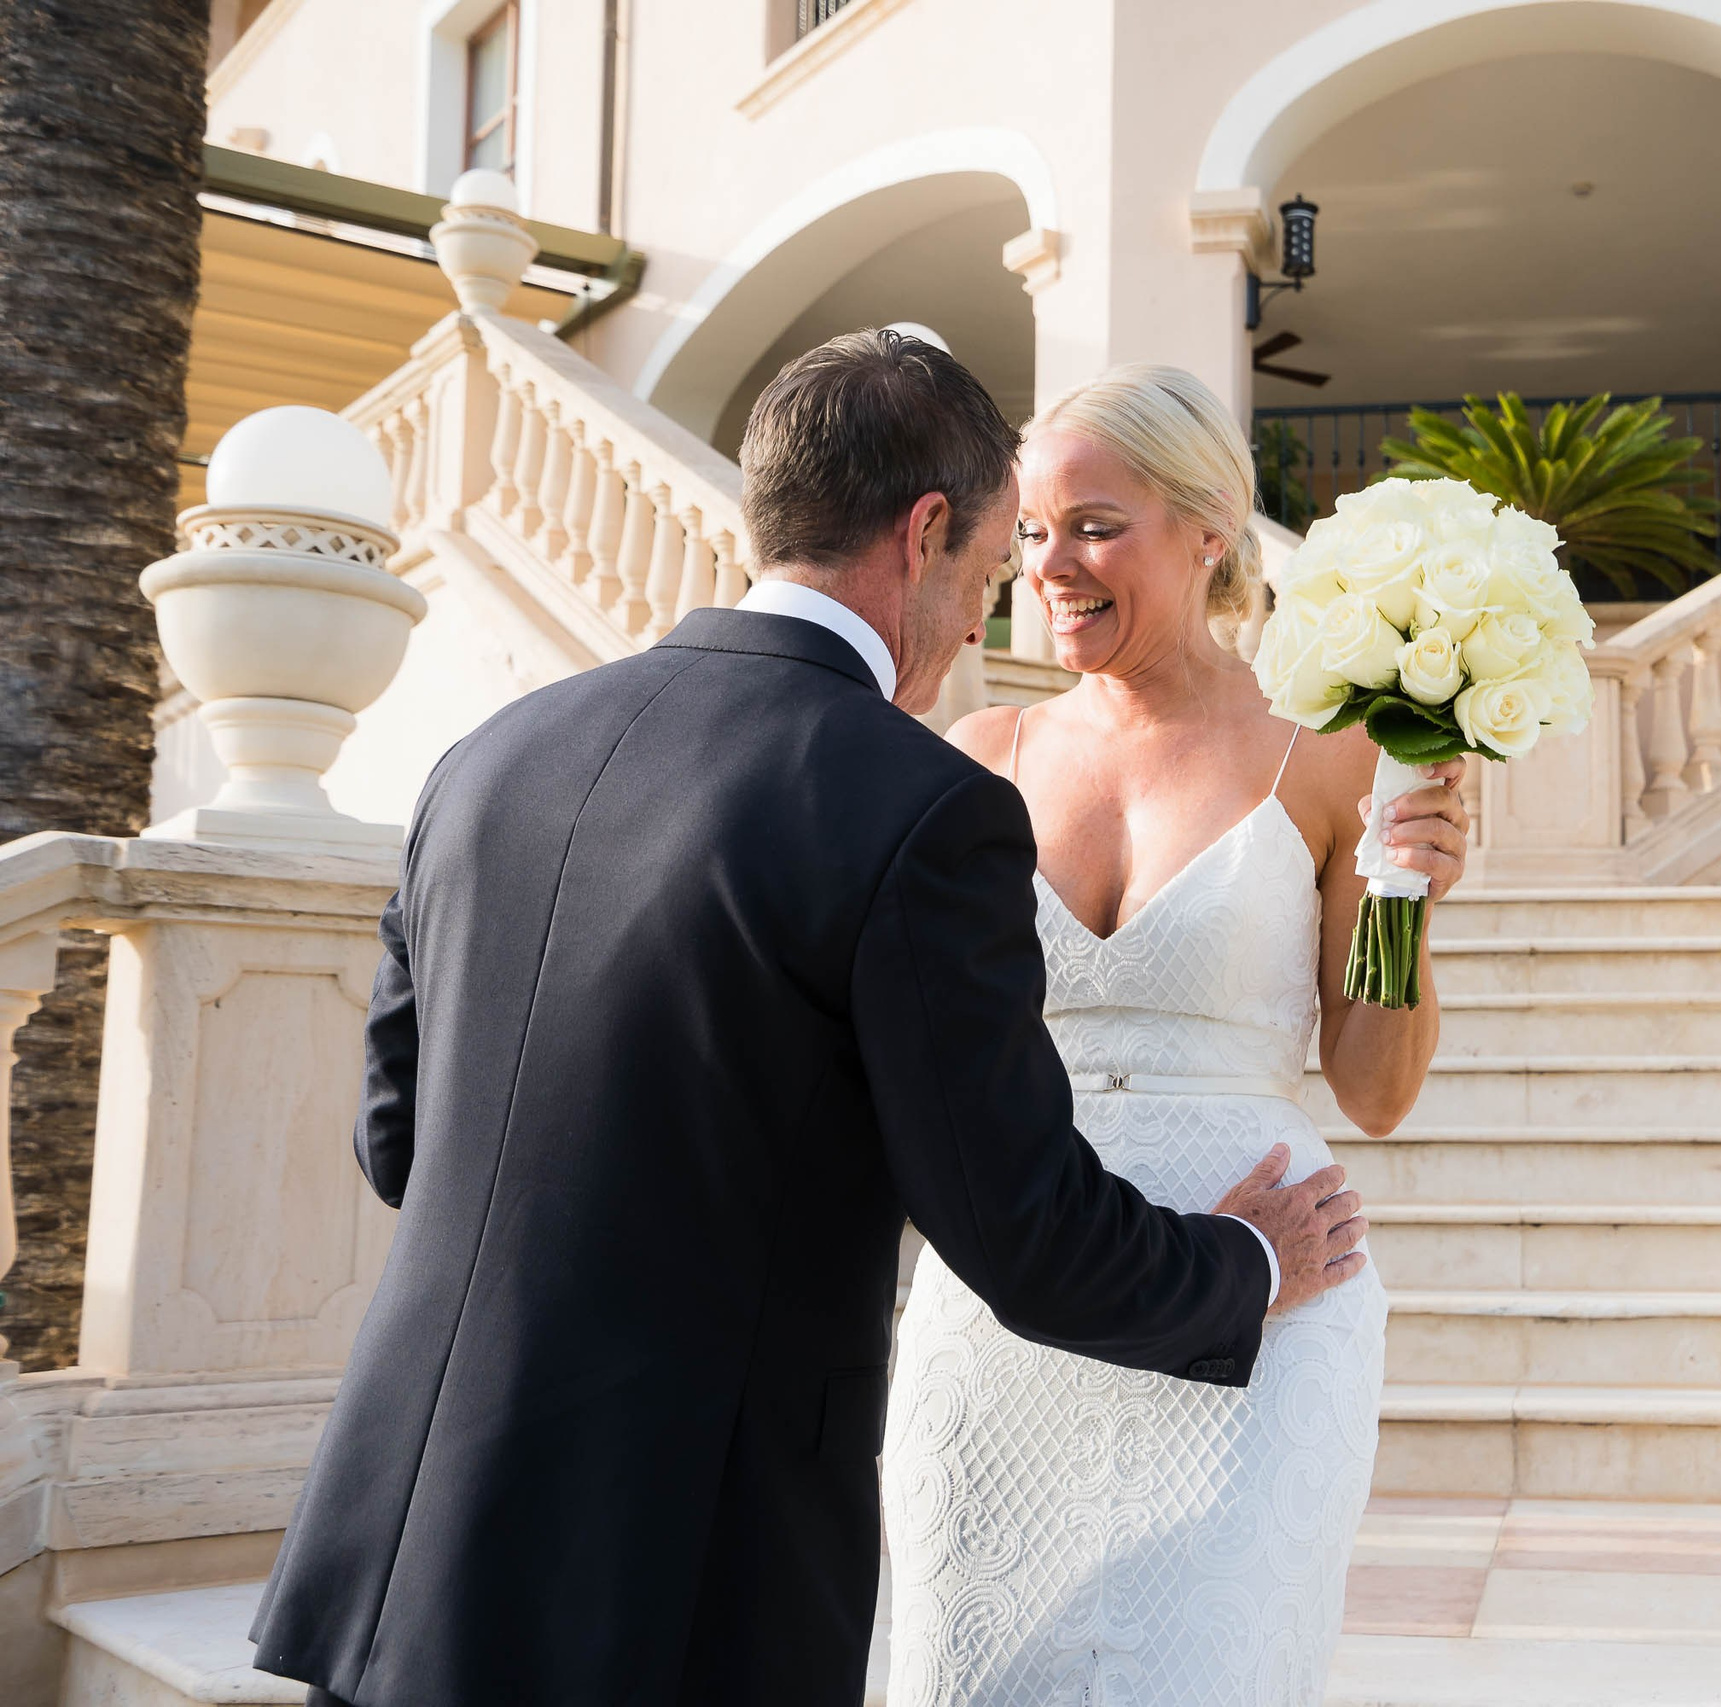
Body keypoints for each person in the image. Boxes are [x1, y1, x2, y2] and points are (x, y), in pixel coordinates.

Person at [250, 332, 1370, 1707]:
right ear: (925, 533)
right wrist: (1245, 1266)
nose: (986, 618)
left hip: (398, 1550)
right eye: (994, 557)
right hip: (683, 1566)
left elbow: (399, 1144)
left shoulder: (487, 761)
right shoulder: (922, 801)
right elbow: (1017, 1230)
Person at [883, 364, 1470, 1706]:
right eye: (1030, 533)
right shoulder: (981, 754)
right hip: (1004, 1301)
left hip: (1272, 1305)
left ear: (1210, 528)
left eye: (1094, 525)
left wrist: (1402, 902)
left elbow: (1374, 1090)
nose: (1051, 567)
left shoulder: (1326, 755)